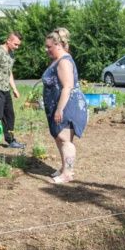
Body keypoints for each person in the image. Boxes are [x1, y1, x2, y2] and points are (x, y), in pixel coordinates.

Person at [41, 28, 88, 184]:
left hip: (68, 106)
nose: (46, 49)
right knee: (60, 139)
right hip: (59, 105)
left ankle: (68, 172)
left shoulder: (64, 62)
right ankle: (64, 169)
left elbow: (67, 87)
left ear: (58, 45)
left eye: (49, 47)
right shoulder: (58, 60)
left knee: (66, 140)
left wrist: (60, 109)